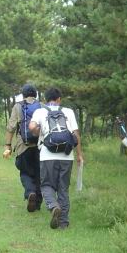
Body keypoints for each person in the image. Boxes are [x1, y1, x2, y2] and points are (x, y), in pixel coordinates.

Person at [29, 88, 84, 230]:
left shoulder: (40, 112)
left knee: (46, 185)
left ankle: (53, 206)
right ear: (59, 99)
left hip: (47, 156)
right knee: (63, 188)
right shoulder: (68, 112)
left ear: (46, 99)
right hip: (67, 156)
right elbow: (76, 134)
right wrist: (79, 154)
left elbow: (32, 127)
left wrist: (38, 131)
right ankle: (63, 223)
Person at [3, 84, 43, 212]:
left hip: (23, 146)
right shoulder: (42, 106)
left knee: (25, 172)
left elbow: (11, 127)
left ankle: (30, 192)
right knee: (39, 174)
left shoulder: (18, 106)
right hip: (40, 146)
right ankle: (37, 203)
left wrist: (8, 145)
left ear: (23, 95)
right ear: (35, 94)